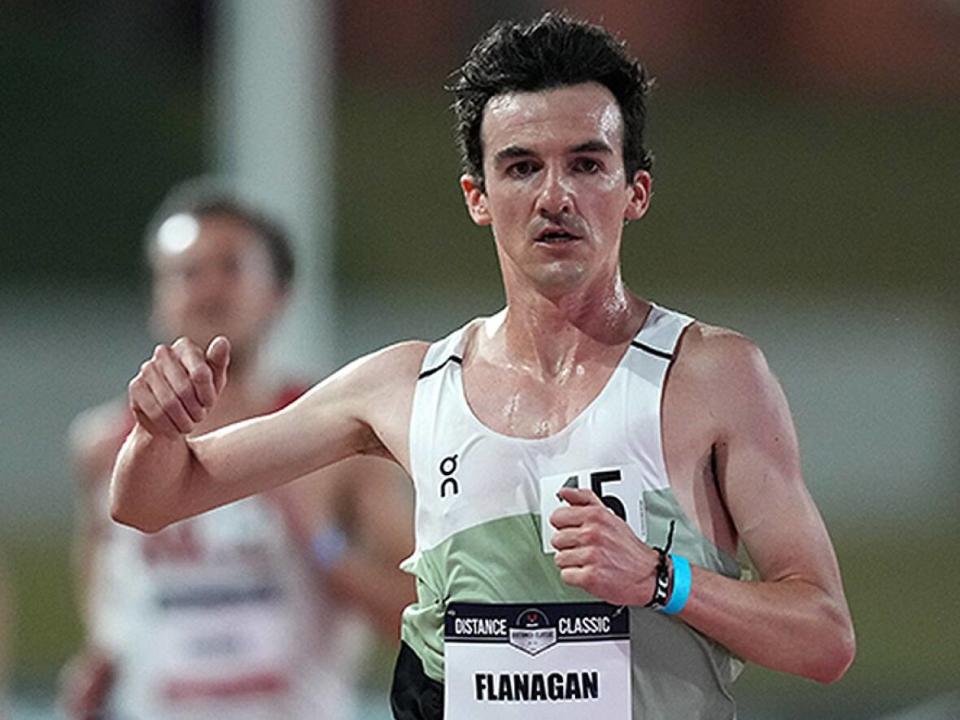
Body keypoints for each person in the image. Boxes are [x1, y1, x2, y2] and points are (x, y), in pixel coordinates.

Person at [109, 13, 856, 720]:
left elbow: (825, 637)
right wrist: (154, 427)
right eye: (522, 167)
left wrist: (664, 580)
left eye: (587, 164)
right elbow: (151, 499)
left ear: (636, 191)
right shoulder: (403, 388)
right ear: (478, 195)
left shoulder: (711, 377)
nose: (554, 196)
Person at [59, 184, 415, 720]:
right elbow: (106, 580)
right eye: (186, 272)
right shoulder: (105, 445)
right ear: (157, 296)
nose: (208, 290)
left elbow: (420, 615)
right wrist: (103, 657)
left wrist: (322, 548)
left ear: (279, 292)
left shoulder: (337, 436)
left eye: (231, 268)